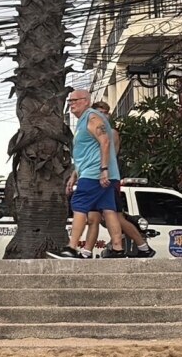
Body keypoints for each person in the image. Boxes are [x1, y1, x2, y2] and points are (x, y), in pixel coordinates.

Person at [55, 90, 125, 259]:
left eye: (75, 100)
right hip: (93, 171)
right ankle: (117, 248)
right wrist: (74, 175)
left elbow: (105, 141)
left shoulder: (92, 117)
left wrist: (103, 169)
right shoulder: (83, 121)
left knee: (78, 203)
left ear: (86, 101)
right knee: (108, 209)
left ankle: (71, 248)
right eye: (69, 101)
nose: (71, 103)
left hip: (95, 172)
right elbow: (84, 153)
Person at [81, 101, 155, 257]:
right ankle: (86, 252)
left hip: (107, 179)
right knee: (93, 217)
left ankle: (140, 247)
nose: (104, 115)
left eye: (106, 112)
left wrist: (102, 171)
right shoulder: (90, 134)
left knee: (116, 216)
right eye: (100, 112)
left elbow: (109, 156)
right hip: (94, 179)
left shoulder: (111, 133)